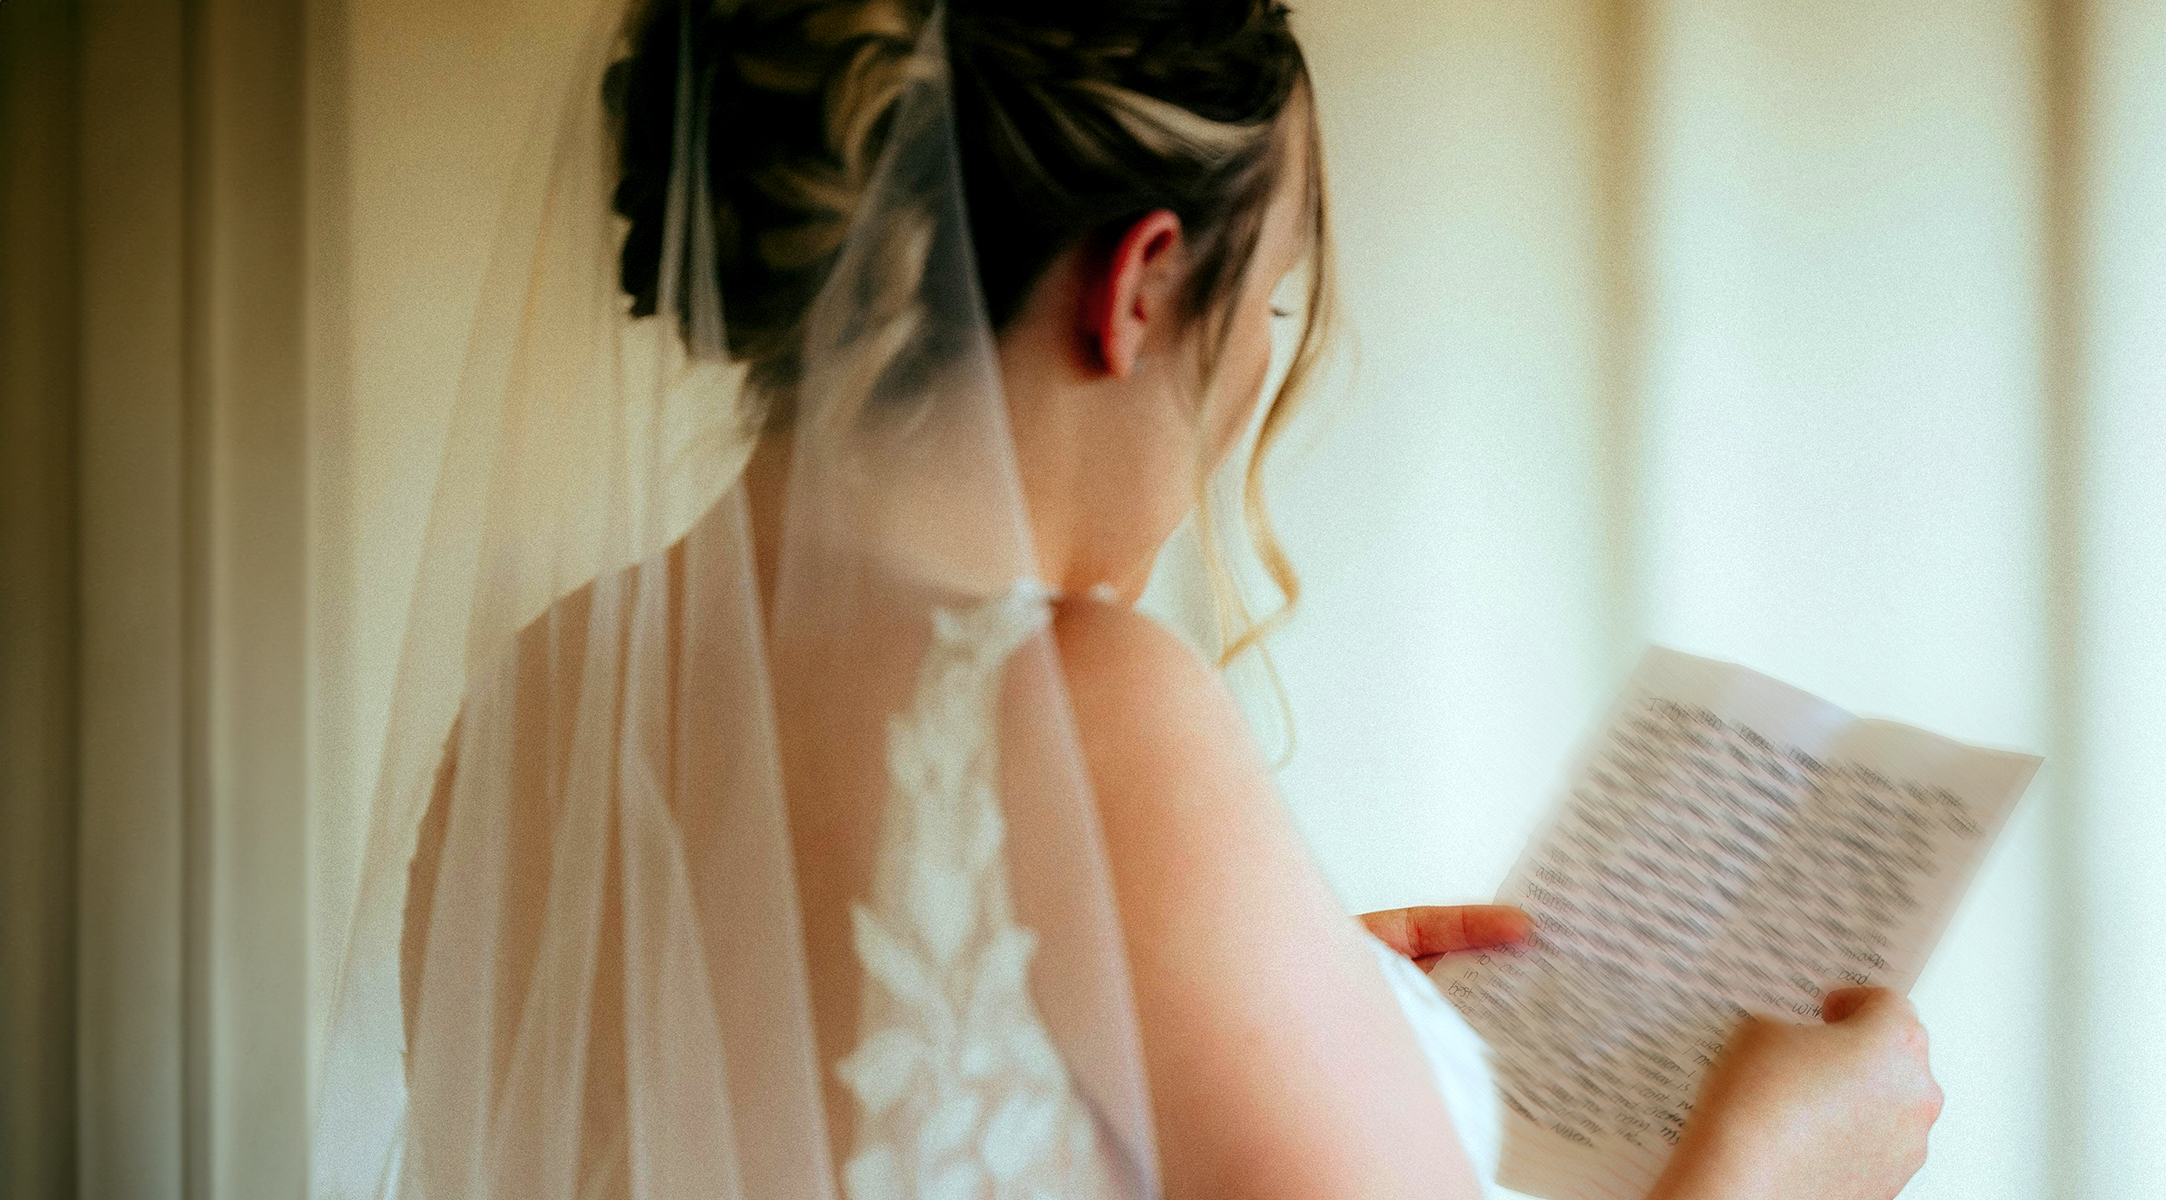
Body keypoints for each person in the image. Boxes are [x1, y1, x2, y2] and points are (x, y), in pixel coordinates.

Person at [320, 2, 1941, 1198]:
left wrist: (1283, 1003)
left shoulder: (531, 708)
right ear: (1144, 283)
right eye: (1272, 298)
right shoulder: (1080, 706)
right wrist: (1778, 1163)